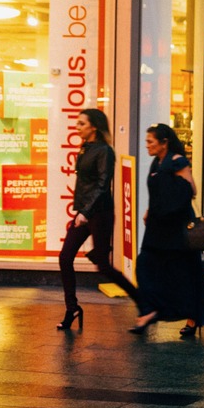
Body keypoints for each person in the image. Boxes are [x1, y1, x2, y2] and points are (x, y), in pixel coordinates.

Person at [58, 109, 141, 331]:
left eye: (81, 123)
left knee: (103, 266)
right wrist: (81, 211)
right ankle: (72, 308)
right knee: (65, 257)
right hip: (85, 211)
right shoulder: (85, 148)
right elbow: (85, 183)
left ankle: (141, 300)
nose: (77, 127)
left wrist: (85, 212)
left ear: (93, 126)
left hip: (100, 212)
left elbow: (103, 185)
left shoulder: (105, 151)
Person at [130, 124, 204, 337]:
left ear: (164, 142)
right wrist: (150, 209)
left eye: (151, 141)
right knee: (146, 264)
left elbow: (191, 189)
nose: (147, 145)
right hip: (158, 226)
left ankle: (193, 317)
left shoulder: (177, 161)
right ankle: (150, 310)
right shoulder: (156, 163)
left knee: (187, 273)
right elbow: (156, 191)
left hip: (176, 228)